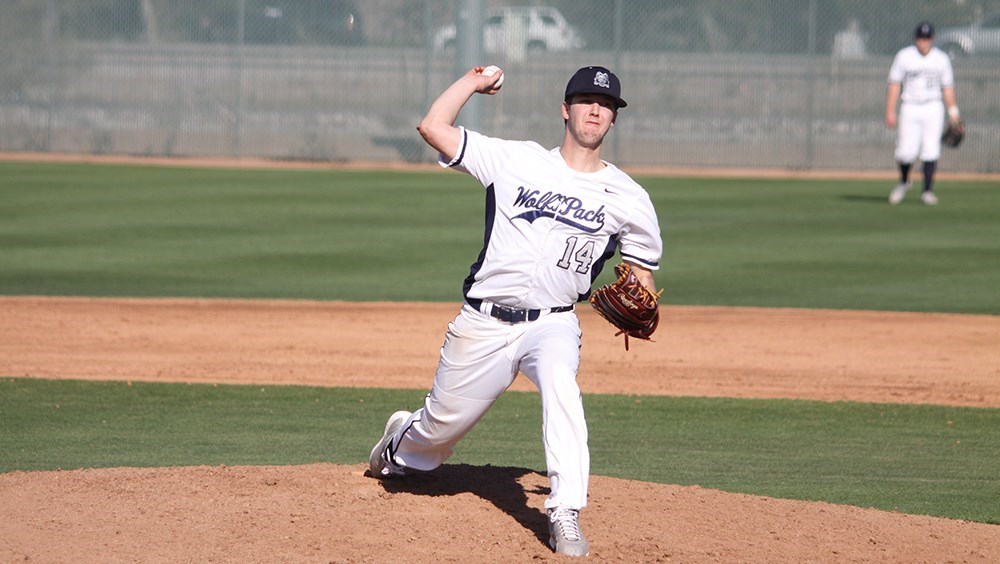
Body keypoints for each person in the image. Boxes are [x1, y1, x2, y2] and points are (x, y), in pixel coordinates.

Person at [367, 65, 663, 557]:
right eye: (586, 101)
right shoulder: (515, 161)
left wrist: (644, 297)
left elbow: (642, 273)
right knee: (432, 443)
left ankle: (565, 511)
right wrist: (470, 83)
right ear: (565, 110)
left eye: (606, 105)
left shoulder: (630, 197)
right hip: (483, 323)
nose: (596, 110)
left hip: (553, 322)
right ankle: (402, 440)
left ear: (613, 119)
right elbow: (433, 128)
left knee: (561, 385)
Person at [886, 21, 961, 206]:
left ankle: (927, 191)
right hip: (909, 106)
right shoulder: (904, 56)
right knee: (904, 152)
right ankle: (904, 182)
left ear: (933, 38)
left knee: (930, 150)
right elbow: (894, 83)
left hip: (932, 107)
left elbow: (948, 88)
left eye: (927, 37)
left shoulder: (941, 59)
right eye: (921, 37)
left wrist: (954, 112)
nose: (924, 41)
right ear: (915, 38)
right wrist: (890, 110)